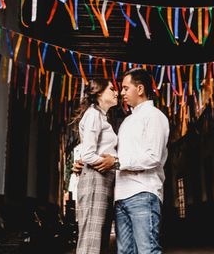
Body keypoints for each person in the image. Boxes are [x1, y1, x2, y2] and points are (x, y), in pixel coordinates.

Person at [94, 68, 170, 254]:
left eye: (126, 88)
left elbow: (153, 157)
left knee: (147, 250)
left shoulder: (154, 116)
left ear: (141, 89)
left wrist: (117, 162)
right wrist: (87, 162)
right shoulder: (127, 122)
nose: (122, 93)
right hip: (121, 196)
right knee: (125, 252)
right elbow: (111, 155)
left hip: (143, 192)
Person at [71, 79, 119, 254]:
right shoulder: (93, 115)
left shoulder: (101, 116)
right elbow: (88, 155)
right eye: (112, 89)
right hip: (96, 178)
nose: (117, 93)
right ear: (99, 93)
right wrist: (112, 162)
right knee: (91, 239)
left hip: (104, 178)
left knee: (99, 237)